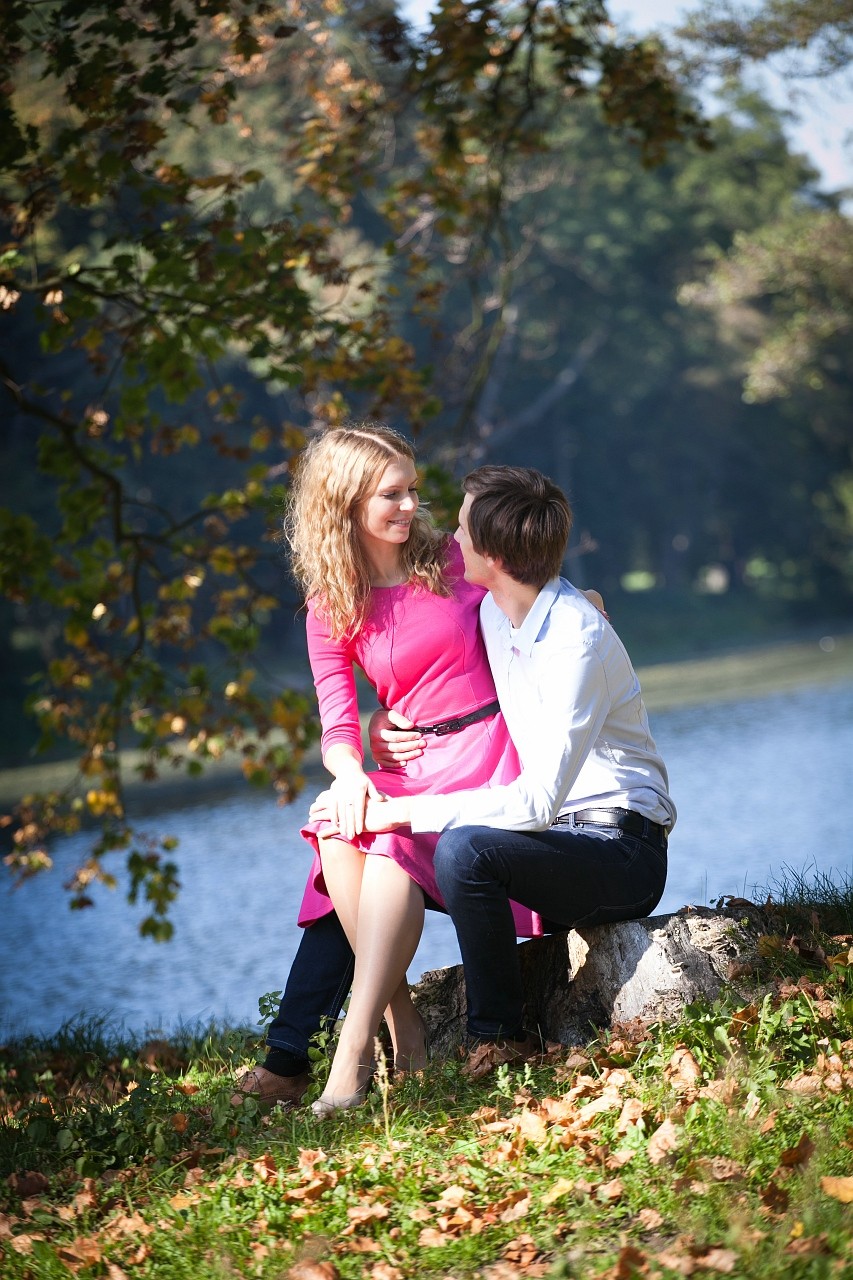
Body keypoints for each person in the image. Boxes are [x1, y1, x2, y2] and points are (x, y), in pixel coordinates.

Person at [311, 464, 675, 1060]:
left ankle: (495, 1040)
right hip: (559, 842)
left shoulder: (575, 642)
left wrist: (404, 813)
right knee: (413, 839)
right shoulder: (494, 615)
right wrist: (380, 723)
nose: (449, 541)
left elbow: (535, 802)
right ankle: (426, 1036)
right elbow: (436, 670)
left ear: (492, 556)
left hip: (622, 851)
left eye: (460, 530)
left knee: (465, 848)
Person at [233, 424, 543, 1114]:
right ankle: (402, 1025)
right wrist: (351, 771)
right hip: (411, 766)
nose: (409, 506)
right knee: (335, 823)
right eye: (391, 494)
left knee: (387, 842)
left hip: (487, 756)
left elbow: (547, 611)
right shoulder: (331, 605)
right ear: (343, 504)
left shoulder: (457, 559)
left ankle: (348, 1054)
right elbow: (337, 721)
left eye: (411, 489)